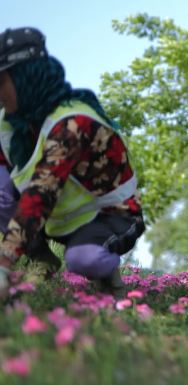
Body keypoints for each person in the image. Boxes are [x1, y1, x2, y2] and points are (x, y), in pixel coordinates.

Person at [0, 27, 145, 299]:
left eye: (1, 82)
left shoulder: (72, 123)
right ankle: (40, 258)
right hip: (62, 221)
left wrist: (3, 264)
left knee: (82, 259)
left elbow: (42, 192)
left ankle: (108, 276)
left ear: (25, 77)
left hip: (111, 215)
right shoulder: (14, 124)